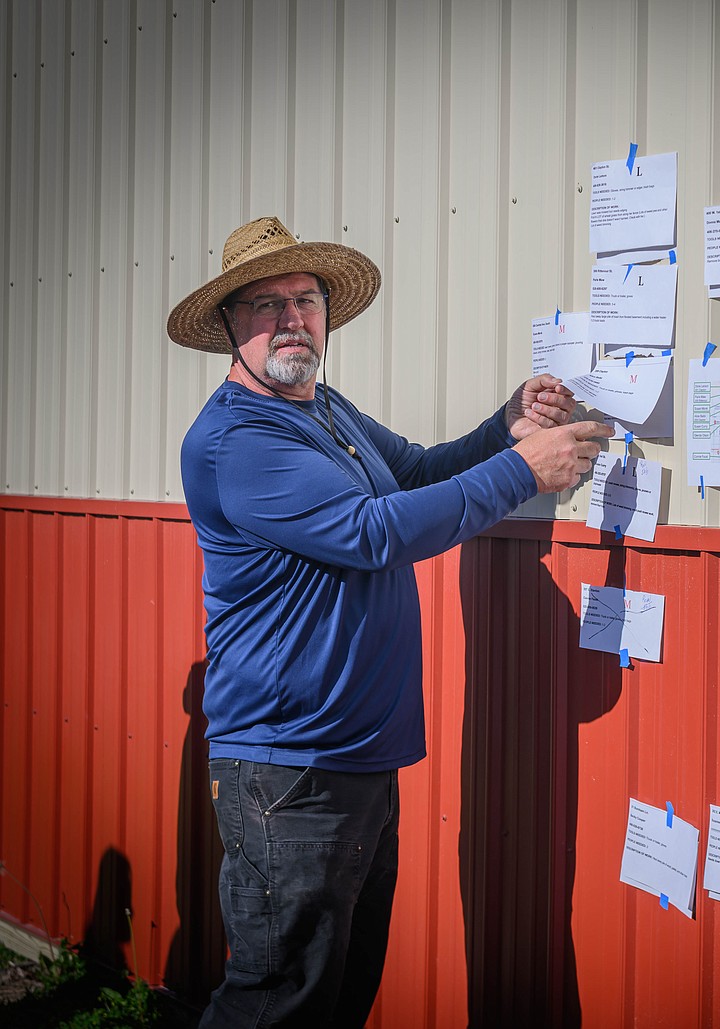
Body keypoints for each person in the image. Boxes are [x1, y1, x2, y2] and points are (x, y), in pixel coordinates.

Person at [166, 215, 611, 1027]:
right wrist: (522, 470)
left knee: (337, 996)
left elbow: (412, 472)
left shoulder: (320, 408)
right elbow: (376, 532)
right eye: (266, 304)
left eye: (306, 297)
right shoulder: (236, 441)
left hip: (358, 757)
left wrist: (505, 424)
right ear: (230, 325)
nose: (292, 317)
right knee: (276, 1004)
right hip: (288, 771)